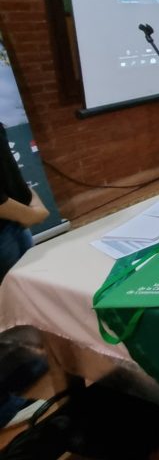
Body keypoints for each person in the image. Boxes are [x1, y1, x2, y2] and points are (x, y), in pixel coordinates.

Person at [0, 122, 51, 427]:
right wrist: (31, 213)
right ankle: (4, 410)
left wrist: (30, 200)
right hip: (9, 221)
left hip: (14, 221)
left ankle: (20, 369)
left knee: (18, 303)